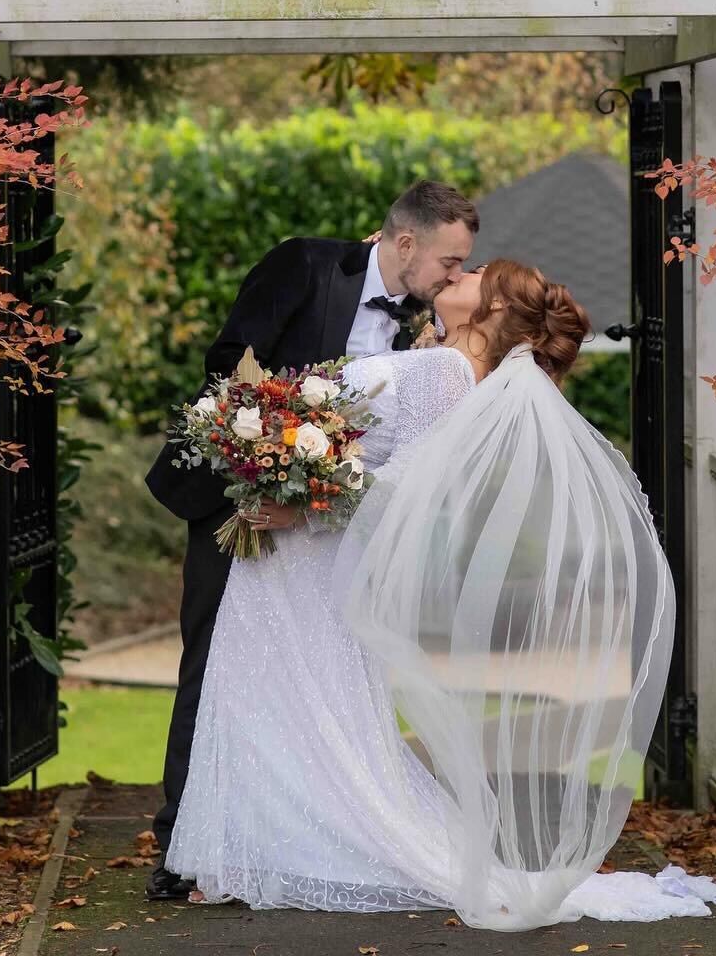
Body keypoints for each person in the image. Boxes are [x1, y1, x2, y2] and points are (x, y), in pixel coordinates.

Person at [166, 260, 716, 930]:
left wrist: (300, 503)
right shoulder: (443, 367)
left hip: (299, 551)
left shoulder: (440, 374)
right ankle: (248, 855)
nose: (463, 270)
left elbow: (396, 488)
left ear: (495, 310)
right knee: (284, 698)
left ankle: (260, 855)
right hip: (300, 556)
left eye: (477, 271)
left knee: (272, 694)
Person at [143, 180, 480, 900]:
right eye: (450, 261)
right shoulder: (305, 265)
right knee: (210, 659)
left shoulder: (428, 331)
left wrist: (315, 482)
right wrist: (272, 451)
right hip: (238, 495)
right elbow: (229, 359)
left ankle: (278, 830)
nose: (453, 277)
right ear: (407, 242)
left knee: (301, 676)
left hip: (321, 529)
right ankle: (183, 843)